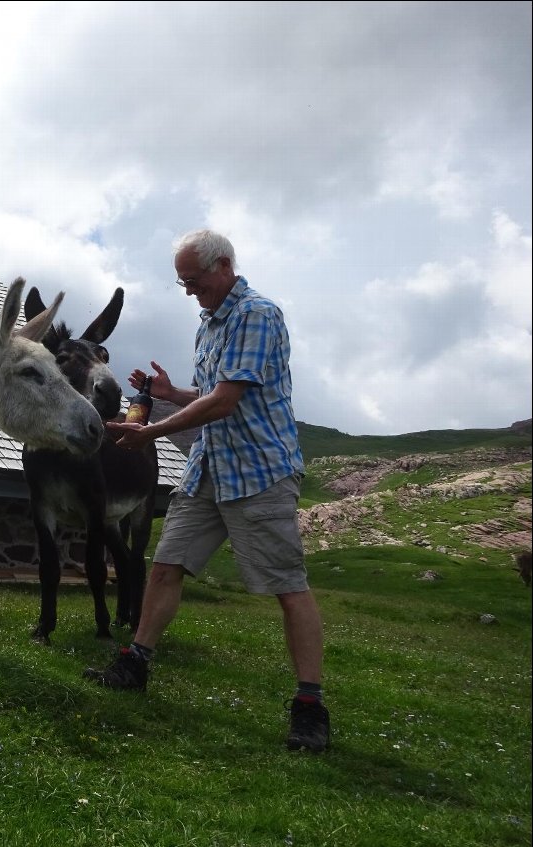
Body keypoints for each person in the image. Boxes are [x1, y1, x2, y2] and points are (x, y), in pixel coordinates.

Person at [83, 228, 330, 754]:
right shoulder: (209, 323)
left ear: (223, 267)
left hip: (260, 471)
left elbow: (226, 400)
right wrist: (172, 394)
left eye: (193, 281)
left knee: (287, 585)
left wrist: (150, 430)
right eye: (183, 284)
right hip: (210, 467)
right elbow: (212, 390)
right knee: (167, 565)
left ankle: (309, 707)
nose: (190, 291)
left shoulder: (257, 314)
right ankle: (135, 663)